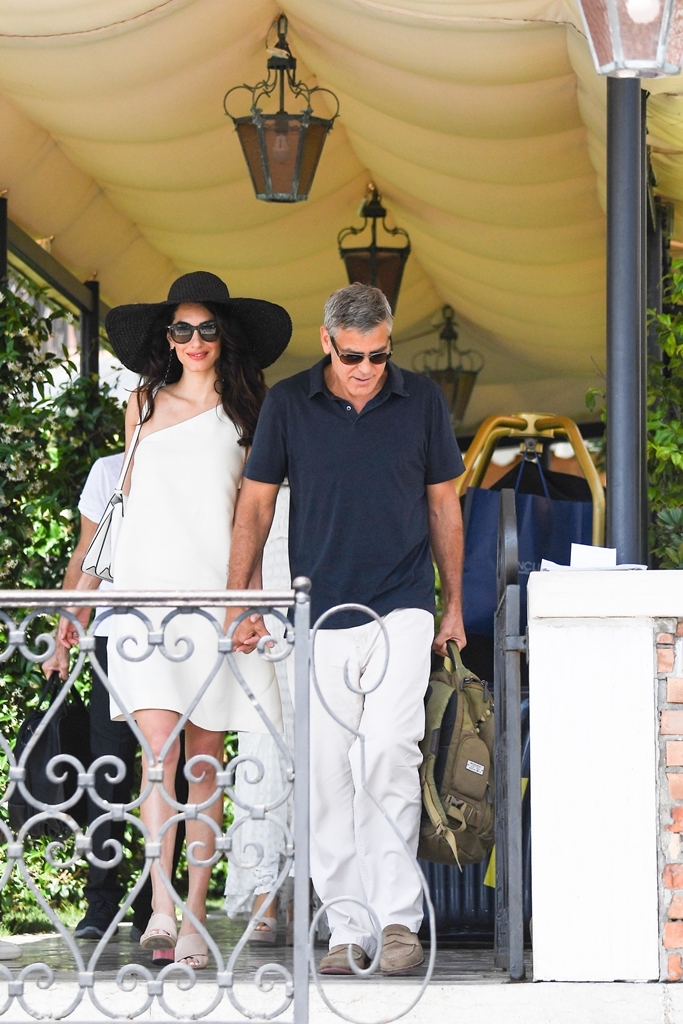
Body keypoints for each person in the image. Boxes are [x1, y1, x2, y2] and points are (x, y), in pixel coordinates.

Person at [226, 283, 466, 976]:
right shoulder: (287, 403)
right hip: (319, 613)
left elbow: (443, 507)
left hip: (401, 606)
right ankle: (346, 928)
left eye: (378, 356)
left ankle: (396, 921)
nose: (366, 369)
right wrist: (240, 602)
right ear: (327, 342)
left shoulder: (421, 401)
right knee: (327, 771)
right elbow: (255, 506)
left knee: (388, 752)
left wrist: (452, 604)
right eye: (353, 355)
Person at [101, 271, 292, 970]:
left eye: (207, 328)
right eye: (181, 329)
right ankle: (159, 907)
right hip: (146, 599)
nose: (194, 340)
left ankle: (196, 913)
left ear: (224, 336)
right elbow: (127, 500)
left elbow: (256, 516)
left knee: (204, 764)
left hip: (217, 599)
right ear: (167, 337)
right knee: (158, 758)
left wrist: (251, 603)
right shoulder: (141, 404)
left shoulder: (249, 414)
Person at [45, 454, 188, 956]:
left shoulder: (187, 459)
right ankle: (101, 901)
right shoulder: (108, 470)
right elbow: (88, 551)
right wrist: (65, 630)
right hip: (113, 633)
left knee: (170, 770)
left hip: (176, 631)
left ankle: (155, 905)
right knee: (108, 768)